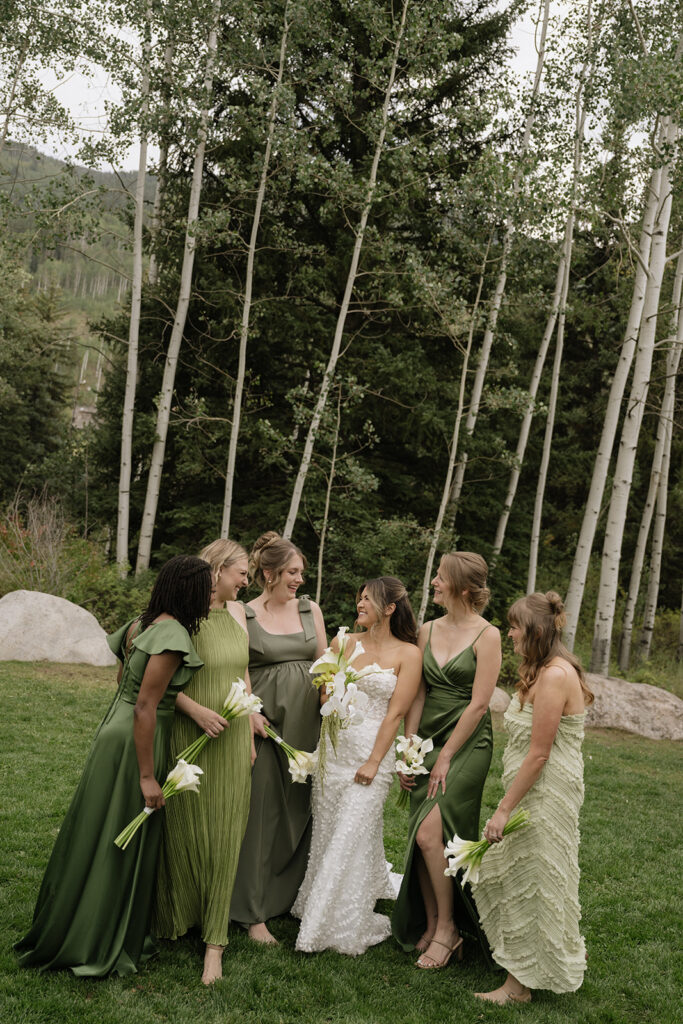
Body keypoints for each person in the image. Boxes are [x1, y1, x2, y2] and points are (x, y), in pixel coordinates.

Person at [14, 555, 212, 977]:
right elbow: (146, 705)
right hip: (136, 739)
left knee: (97, 828)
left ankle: (76, 921)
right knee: (120, 836)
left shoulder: (144, 624)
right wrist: (146, 775)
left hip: (114, 730)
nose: (209, 596)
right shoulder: (173, 635)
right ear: (190, 591)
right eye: (205, 589)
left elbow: (125, 679)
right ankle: (98, 938)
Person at [470, 591, 593, 1005]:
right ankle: (527, 965)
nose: (509, 634)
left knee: (533, 879)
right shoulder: (543, 670)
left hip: (546, 791)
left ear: (537, 631)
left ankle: (517, 985)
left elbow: (540, 752)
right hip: (530, 787)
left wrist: (504, 809)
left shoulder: (556, 676)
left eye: (516, 626)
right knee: (521, 876)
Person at [153, 538, 264, 984]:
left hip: (234, 737)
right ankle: (175, 917)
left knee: (225, 833)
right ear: (216, 570)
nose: (246, 582)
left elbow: (242, 672)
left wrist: (251, 721)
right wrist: (195, 711)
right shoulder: (182, 614)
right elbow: (151, 680)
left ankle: (214, 944)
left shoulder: (238, 613)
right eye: (241, 573)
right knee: (183, 829)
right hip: (189, 732)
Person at [293, 576, 423, 955]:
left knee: (352, 830)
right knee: (330, 832)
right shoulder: (343, 642)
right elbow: (324, 692)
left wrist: (374, 760)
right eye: (359, 598)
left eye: (368, 599)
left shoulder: (408, 654)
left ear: (390, 608)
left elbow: (396, 713)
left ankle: (330, 924)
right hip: (334, 750)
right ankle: (320, 901)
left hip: (372, 755)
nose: (359, 604)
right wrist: (330, 692)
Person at [391, 552, 501, 968]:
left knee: (428, 833)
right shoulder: (427, 629)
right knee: (423, 834)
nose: (433, 582)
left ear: (463, 588)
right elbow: (417, 693)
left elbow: (479, 705)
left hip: (467, 742)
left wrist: (445, 757)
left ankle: (449, 928)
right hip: (428, 738)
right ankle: (434, 920)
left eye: (440, 577)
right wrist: (409, 750)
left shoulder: (487, 636)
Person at [230, 531, 326, 945]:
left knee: (298, 810)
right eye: (291, 571)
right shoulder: (242, 612)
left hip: (308, 724)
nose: (299, 579)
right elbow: (239, 666)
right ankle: (252, 913)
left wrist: (336, 704)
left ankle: (286, 896)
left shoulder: (311, 609)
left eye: (301, 572)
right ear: (268, 574)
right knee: (261, 812)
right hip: (266, 724)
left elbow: (324, 663)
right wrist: (250, 712)